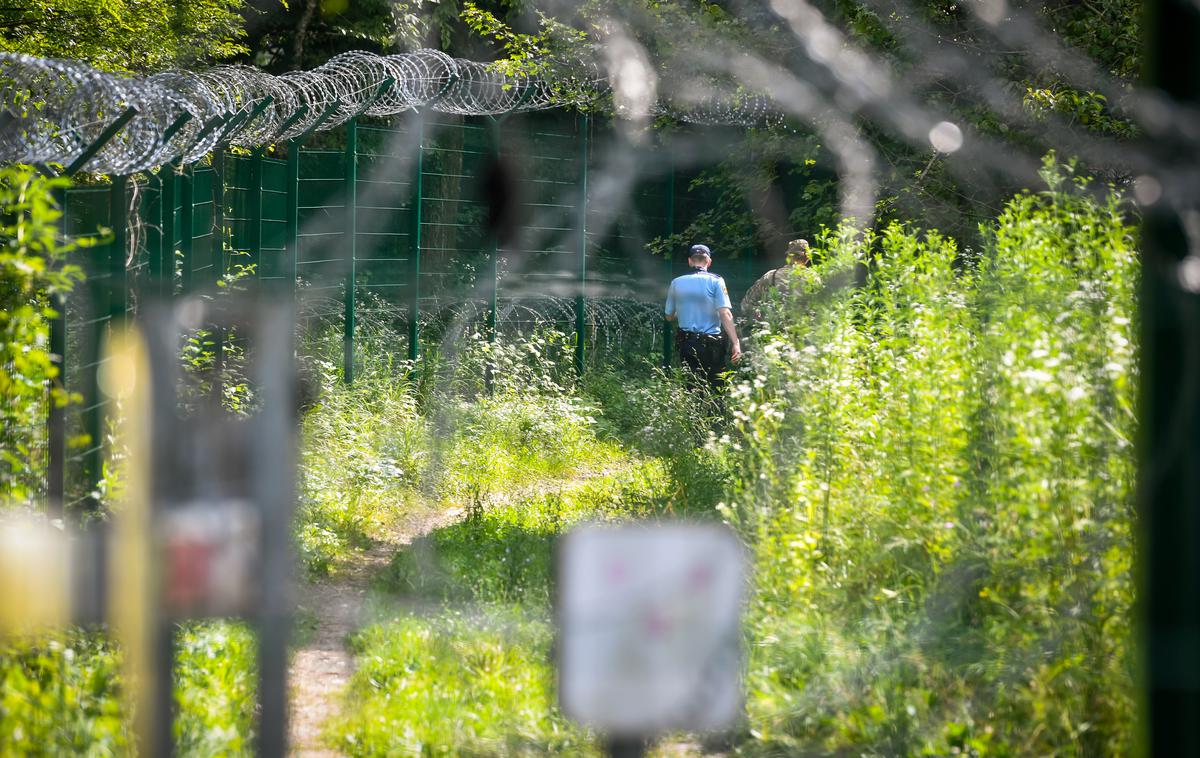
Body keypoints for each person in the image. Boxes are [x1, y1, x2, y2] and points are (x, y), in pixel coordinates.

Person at [664, 244, 742, 390]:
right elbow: (725, 313)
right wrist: (736, 342)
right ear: (709, 262)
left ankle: (692, 412)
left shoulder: (676, 282)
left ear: (690, 261)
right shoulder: (716, 281)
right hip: (711, 345)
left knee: (691, 387)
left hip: (686, 343)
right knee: (716, 388)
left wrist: (683, 311)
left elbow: (669, 316)